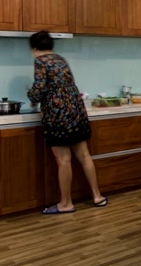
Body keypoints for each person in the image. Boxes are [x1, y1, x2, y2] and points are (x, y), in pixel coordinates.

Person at [27, 31, 107, 215]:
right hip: (76, 111)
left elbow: (39, 89)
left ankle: (66, 203)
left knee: (63, 160)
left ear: (34, 48)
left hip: (58, 115)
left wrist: (31, 96)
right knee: (84, 155)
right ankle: (97, 196)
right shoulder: (60, 59)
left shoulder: (40, 61)